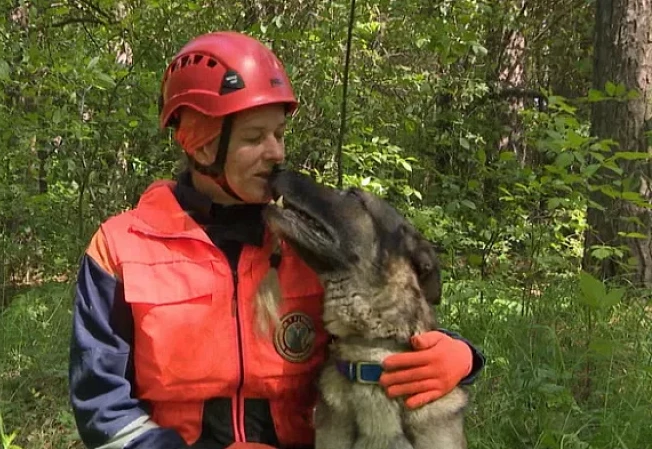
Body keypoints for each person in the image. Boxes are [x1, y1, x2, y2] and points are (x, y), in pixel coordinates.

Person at [68, 31, 485, 449]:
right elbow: (100, 404)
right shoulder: (121, 248)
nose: (275, 153)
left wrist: (459, 355)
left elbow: (382, 323)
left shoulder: (305, 241)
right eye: (253, 138)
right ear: (202, 144)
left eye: (279, 134)